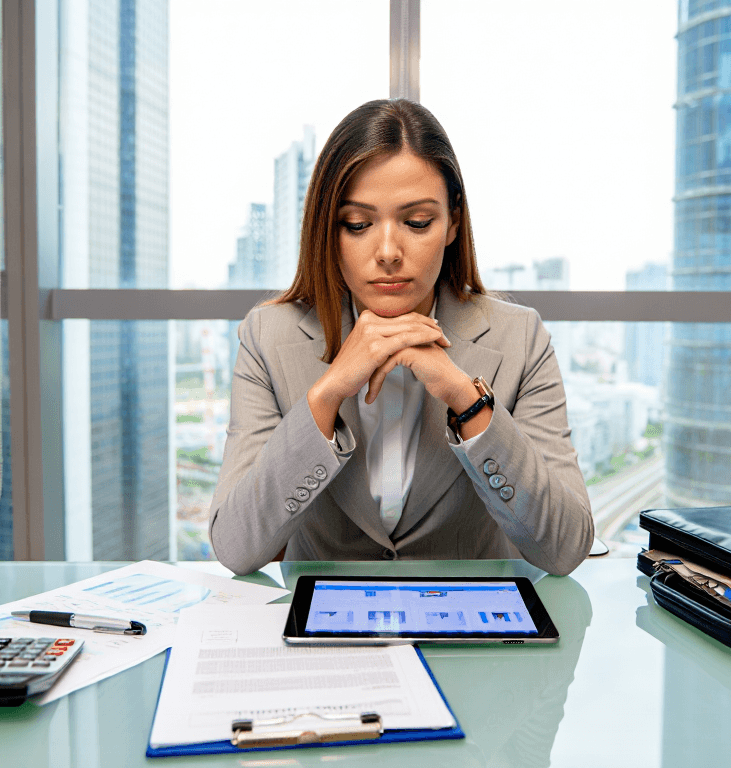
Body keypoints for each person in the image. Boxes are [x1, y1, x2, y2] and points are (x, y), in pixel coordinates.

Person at [208, 99, 593, 576]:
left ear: (453, 221)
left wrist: (464, 398)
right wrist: (325, 397)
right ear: (328, 230)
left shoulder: (520, 337)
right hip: (325, 632)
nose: (388, 252)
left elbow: (565, 548)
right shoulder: (268, 336)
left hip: (470, 631)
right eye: (357, 224)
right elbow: (235, 547)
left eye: (416, 223)